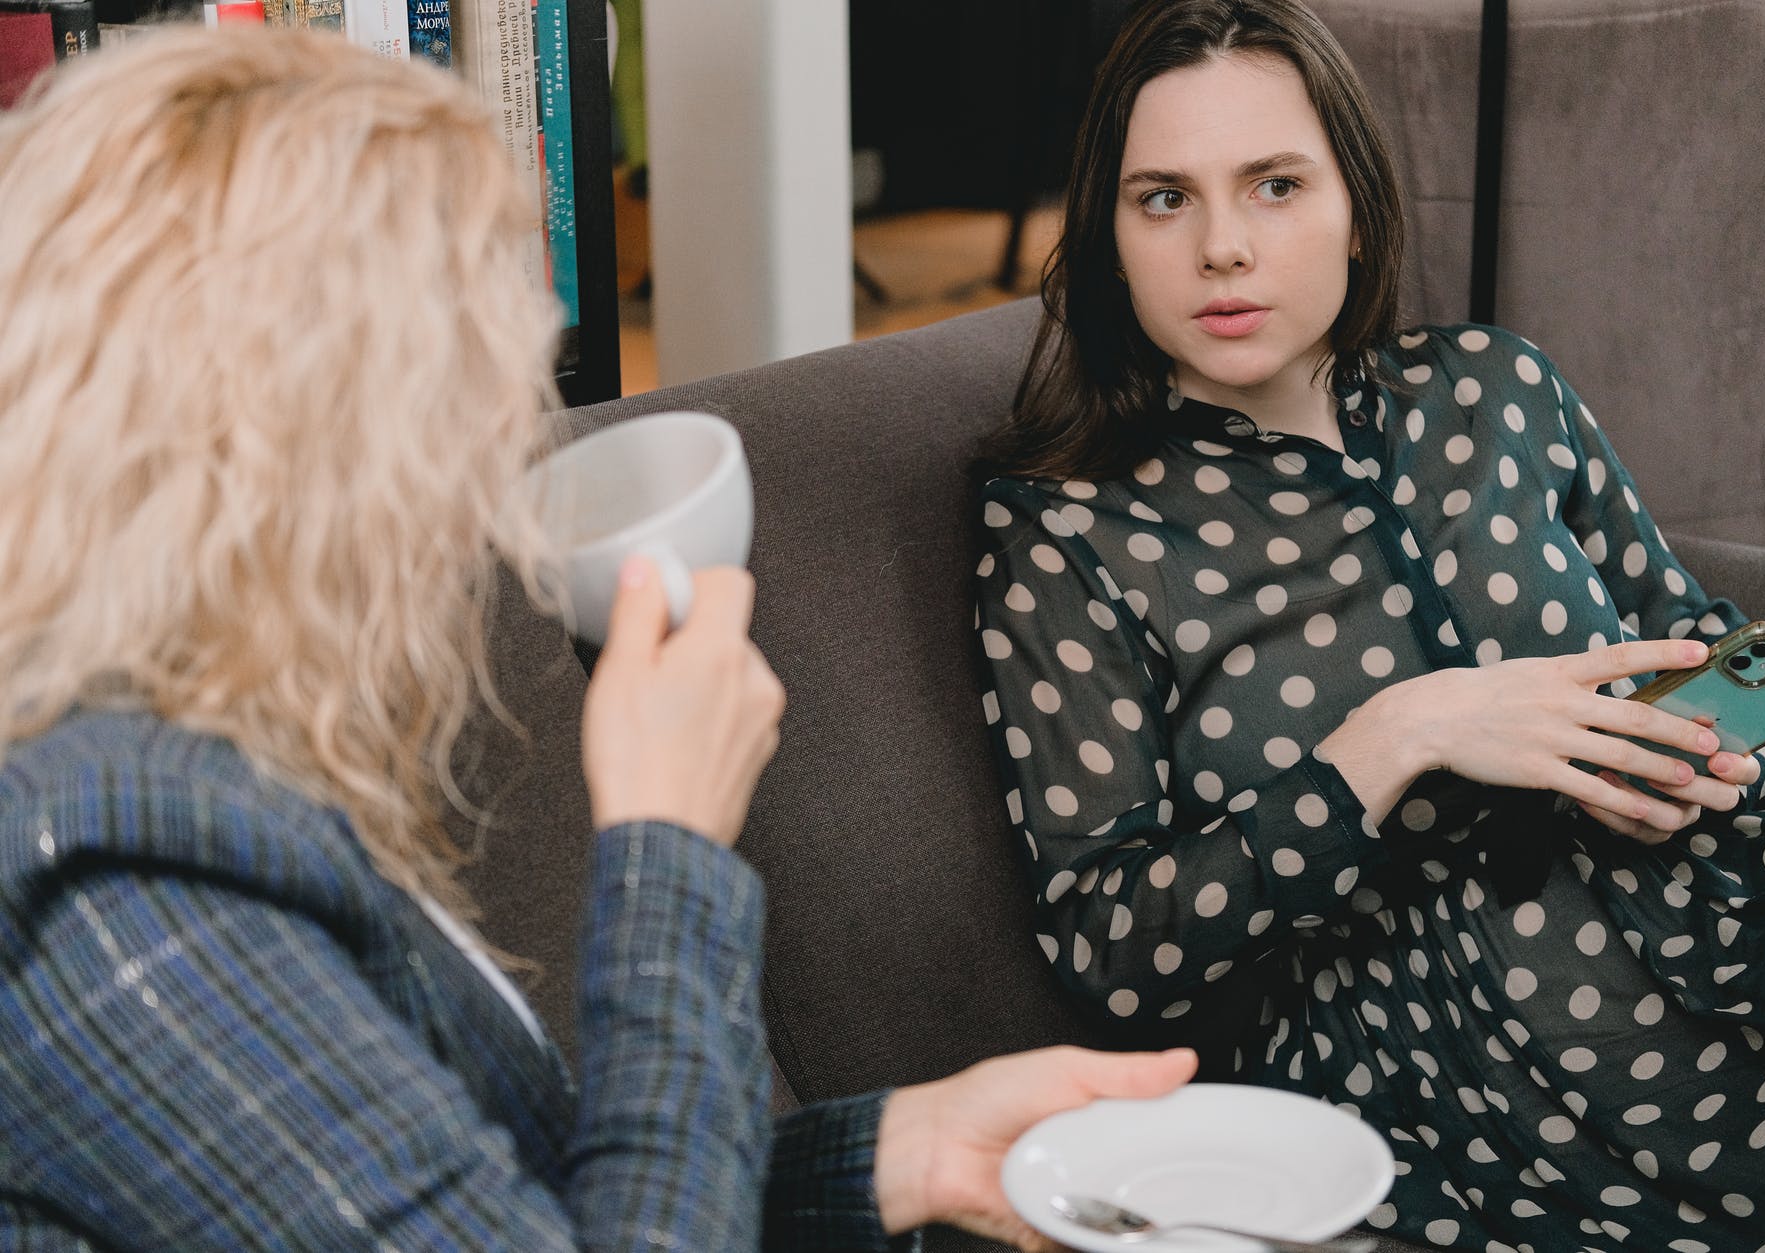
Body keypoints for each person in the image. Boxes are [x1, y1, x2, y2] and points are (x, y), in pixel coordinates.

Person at [0, 27, 1198, 1252]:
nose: (494, 473)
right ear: (304, 441)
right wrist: (668, 843)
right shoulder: (108, 874)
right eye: (466, 391)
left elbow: (501, 1216)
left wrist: (890, 1152)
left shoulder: (178, 763)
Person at [973, 1, 1765, 1249]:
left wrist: (1694, 761)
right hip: (1446, 1044)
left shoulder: (1493, 386)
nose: (1222, 247)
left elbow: (1695, 640)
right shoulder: (1065, 530)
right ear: (1110, 235)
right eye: (1163, 199)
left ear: (1355, 201)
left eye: (1275, 185)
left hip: (1727, 907)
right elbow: (1113, 944)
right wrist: (1393, 736)